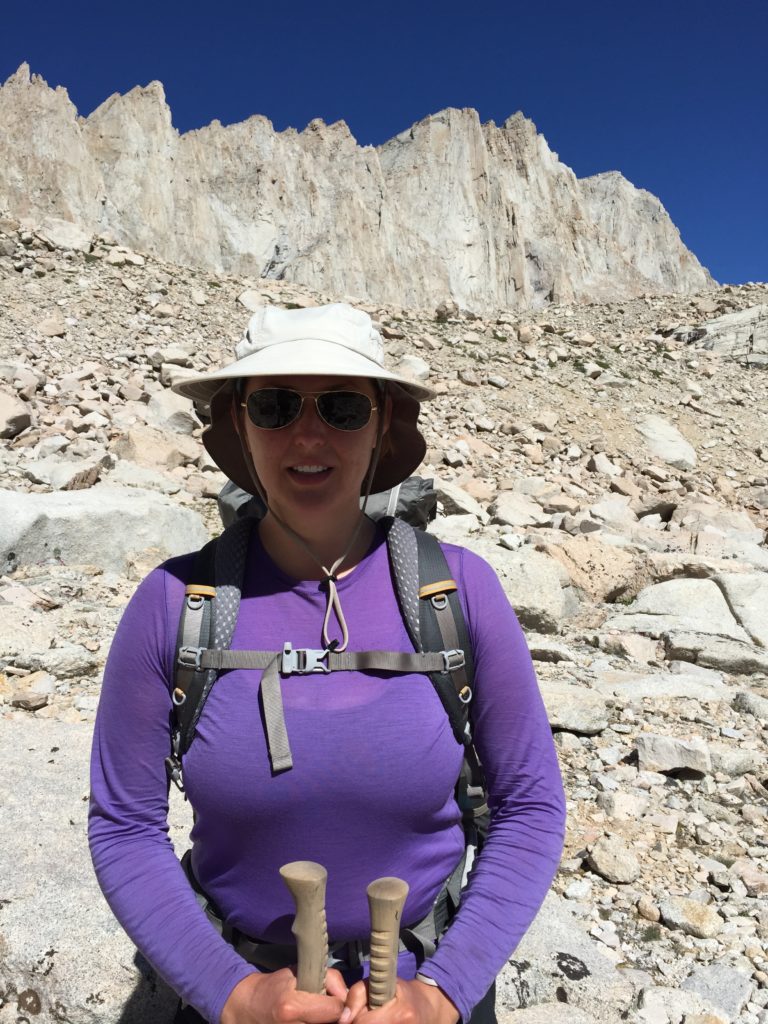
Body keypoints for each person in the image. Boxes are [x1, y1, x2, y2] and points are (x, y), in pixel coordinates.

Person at [89, 303, 566, 1024]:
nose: (307, 436)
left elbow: (529, 807)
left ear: (382, 423)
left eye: (342, 408)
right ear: (238, 423)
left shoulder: (461, 592)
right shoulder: (171, 604)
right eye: (276, 405)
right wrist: (237, 995)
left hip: (427, 992)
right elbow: (123, 826)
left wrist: (441, 997)